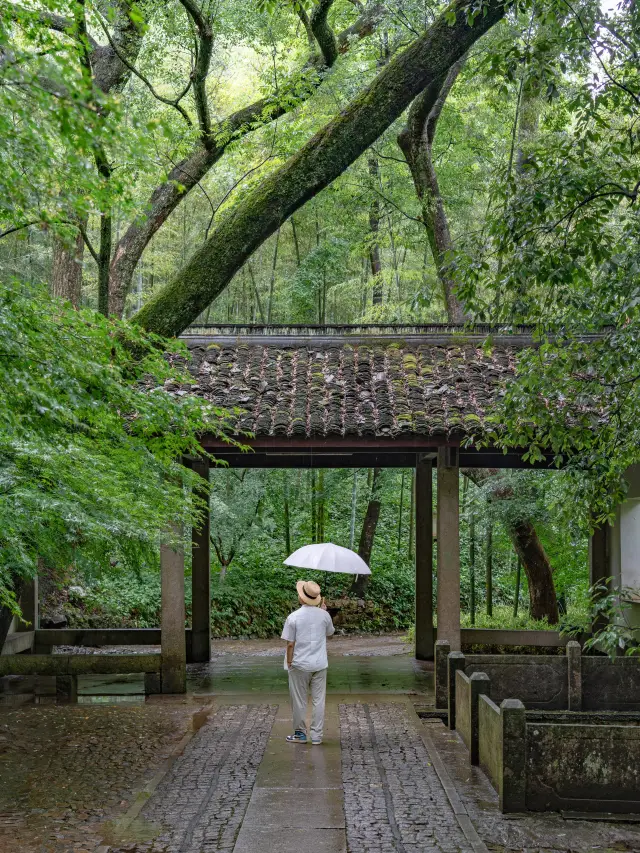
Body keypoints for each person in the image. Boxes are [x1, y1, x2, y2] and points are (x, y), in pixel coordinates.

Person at [281, 579, 335, 745]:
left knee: (299, 700)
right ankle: (317, 736)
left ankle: (300, 734)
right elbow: (330, 633)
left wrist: (289, 661)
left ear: (301, 598)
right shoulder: (324, 615)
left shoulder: (293, 617)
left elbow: (290, 643)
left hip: (299, 664)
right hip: (319, 664)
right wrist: (324, 612)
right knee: (319, 700)